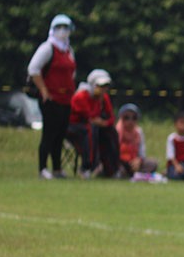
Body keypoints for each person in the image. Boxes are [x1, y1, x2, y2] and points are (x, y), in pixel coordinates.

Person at [28, 14, 77, 179]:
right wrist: (44, 90)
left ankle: (57, 168)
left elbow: (72, 73)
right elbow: (33, 69)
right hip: (51, 99)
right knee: (49, 134)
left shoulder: (69, 50)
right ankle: (42, 168)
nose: (63, 31)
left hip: (66, 99)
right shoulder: (47, 48)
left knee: (60, 134)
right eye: (59, 28)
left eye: (66, 28)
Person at [66, 70, 117, 178]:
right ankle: (87, 165)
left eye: (106, 86)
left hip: (93, 125)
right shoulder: (80, 96)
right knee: (89, 129)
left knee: (111, 132)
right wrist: (99, 122)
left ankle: (111, 167)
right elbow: (88, 117)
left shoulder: (104, 97)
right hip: (73, 127)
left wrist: (105, 123)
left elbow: (111, 117)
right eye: (101, 86)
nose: (104, 89)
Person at [115, 103, 159, 179]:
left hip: (134, 162)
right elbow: (113, 152)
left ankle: (133, 173)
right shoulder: (117, 131)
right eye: (126, 118)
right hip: (119, 161)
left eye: (134, 118)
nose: (130, 121)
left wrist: (139, 160)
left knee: (153, 163)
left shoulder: (138, 132)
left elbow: (142, 152)